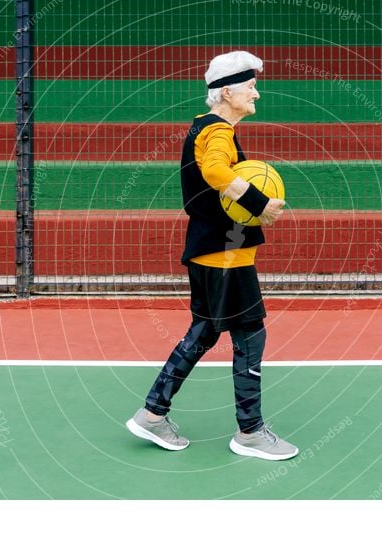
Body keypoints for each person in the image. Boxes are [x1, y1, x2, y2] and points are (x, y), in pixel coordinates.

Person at [125, 51, 298, 461]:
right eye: (250, 85)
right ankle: (251, 432)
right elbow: (217, 174)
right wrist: (259, 203)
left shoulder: (206, 128)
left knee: (204, 331)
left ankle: (152, 413)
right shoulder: (217, 130)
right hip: (224, 254)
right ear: (226, 92)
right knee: (250, 334)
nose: (257, 91)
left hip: (213, 249)